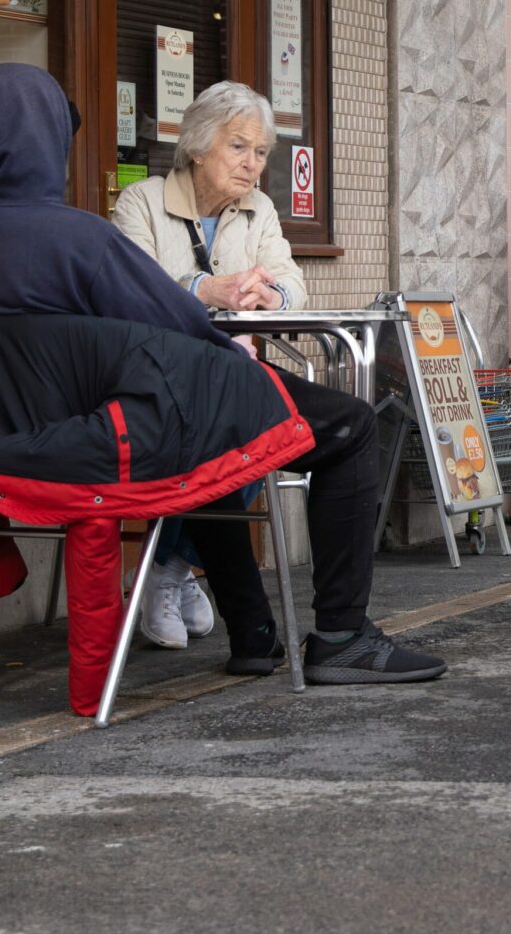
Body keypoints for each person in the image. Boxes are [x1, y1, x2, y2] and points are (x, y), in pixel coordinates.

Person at [0, 64, 446, 694]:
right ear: (47, 146)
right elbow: (178, 323)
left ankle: (254, 635)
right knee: (347, 422)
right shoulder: (80, 239)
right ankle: (342, 637)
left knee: (199, 423)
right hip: (122, 441)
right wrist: (234, 365)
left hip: (12, 450)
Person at [114, 81, 306, 651]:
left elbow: (293, 280)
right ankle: (173, 568)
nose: (253, 165)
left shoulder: (260, 210)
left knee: (266, 424)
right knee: (222, 424)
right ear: (198, 146)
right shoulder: (141, 202)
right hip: (153, 379)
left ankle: (167, 566)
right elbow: (131, 289)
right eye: (239, 147)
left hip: (229, 378)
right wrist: (205, 287)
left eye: (262, 152)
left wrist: (274, 297)